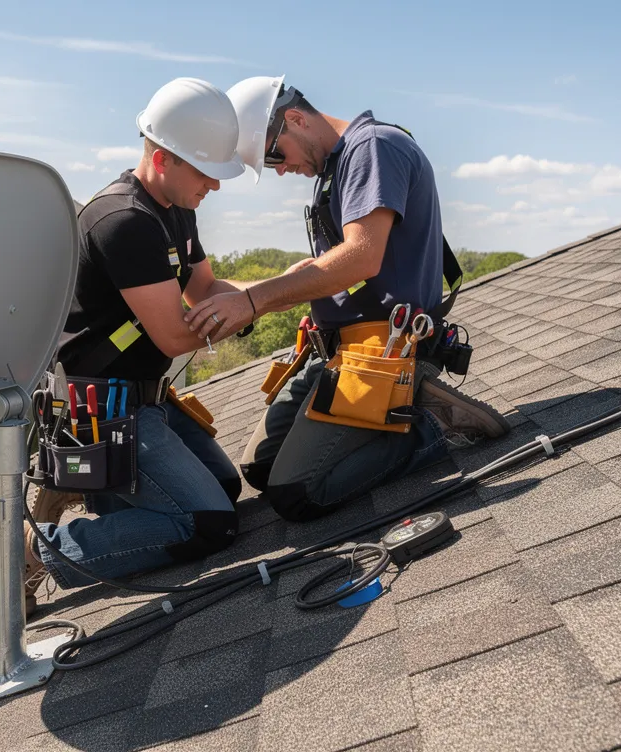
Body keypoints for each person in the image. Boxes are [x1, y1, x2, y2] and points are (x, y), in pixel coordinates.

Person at [182, 76, 510, 522]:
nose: (279, 170)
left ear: (295, 119)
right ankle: (394, 416)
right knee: (257, 468)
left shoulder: (374, 148)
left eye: (274, 155)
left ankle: (428, 424)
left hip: (387, 353)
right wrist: (248, 296)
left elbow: (360, 259)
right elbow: (328, 269)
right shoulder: (337, 167)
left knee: (296, 494)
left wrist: (255, 301)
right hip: (339, 353)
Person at [24, 78, 250, 612]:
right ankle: (38, 550)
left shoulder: (177, 208)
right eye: (206, 172)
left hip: (142, 399)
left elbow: (204, 291)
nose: (214, 187)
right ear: (163, 157)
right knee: (207, 523)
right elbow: (174, 333)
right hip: (99, 412)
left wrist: (289, 288)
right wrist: (255, 305)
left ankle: (92, 486)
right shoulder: (122, 221)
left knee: (224, 486)